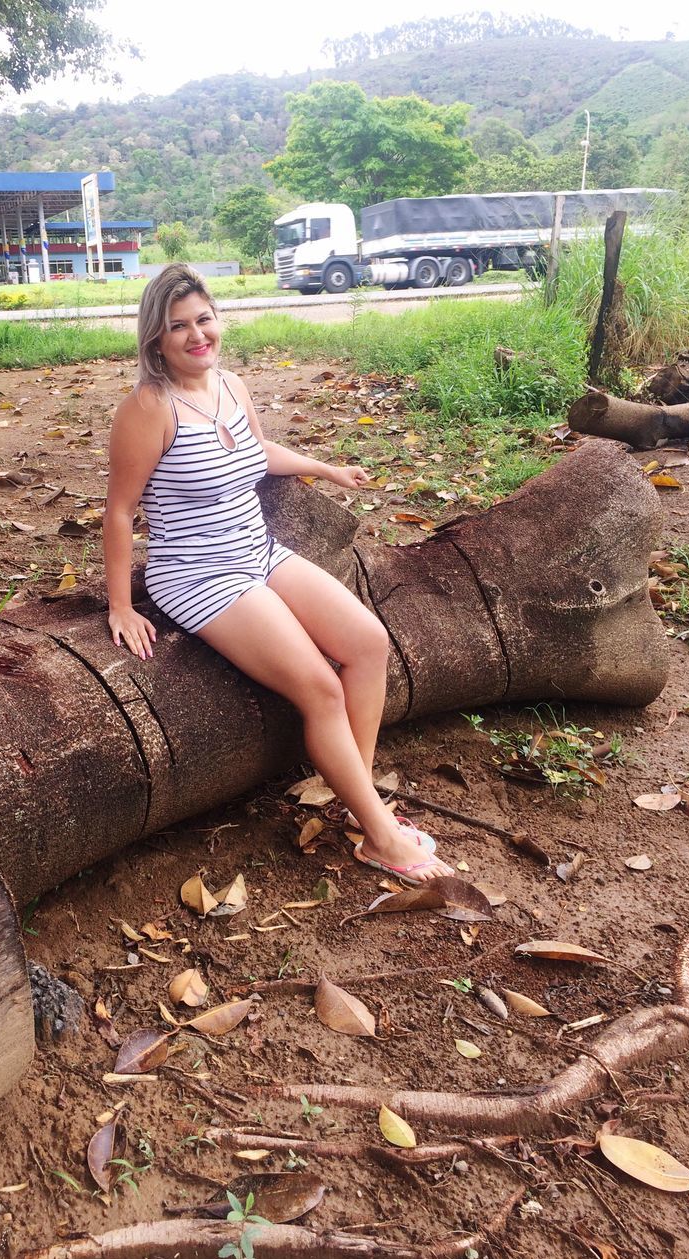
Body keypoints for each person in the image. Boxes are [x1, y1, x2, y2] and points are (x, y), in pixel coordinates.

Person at [103, 264, 453, 884]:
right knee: (319, 686)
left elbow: (258, 452)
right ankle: (380, 834)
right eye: (177, 327)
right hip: (198, 574)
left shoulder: (230, 385)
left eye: (204, 319)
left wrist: (325, 468)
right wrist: (121, 605)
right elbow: (121, 510)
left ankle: (356, 795)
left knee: (369, 643)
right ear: (155, 338)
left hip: (258, 552)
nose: (196, 336)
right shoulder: (147, 408)